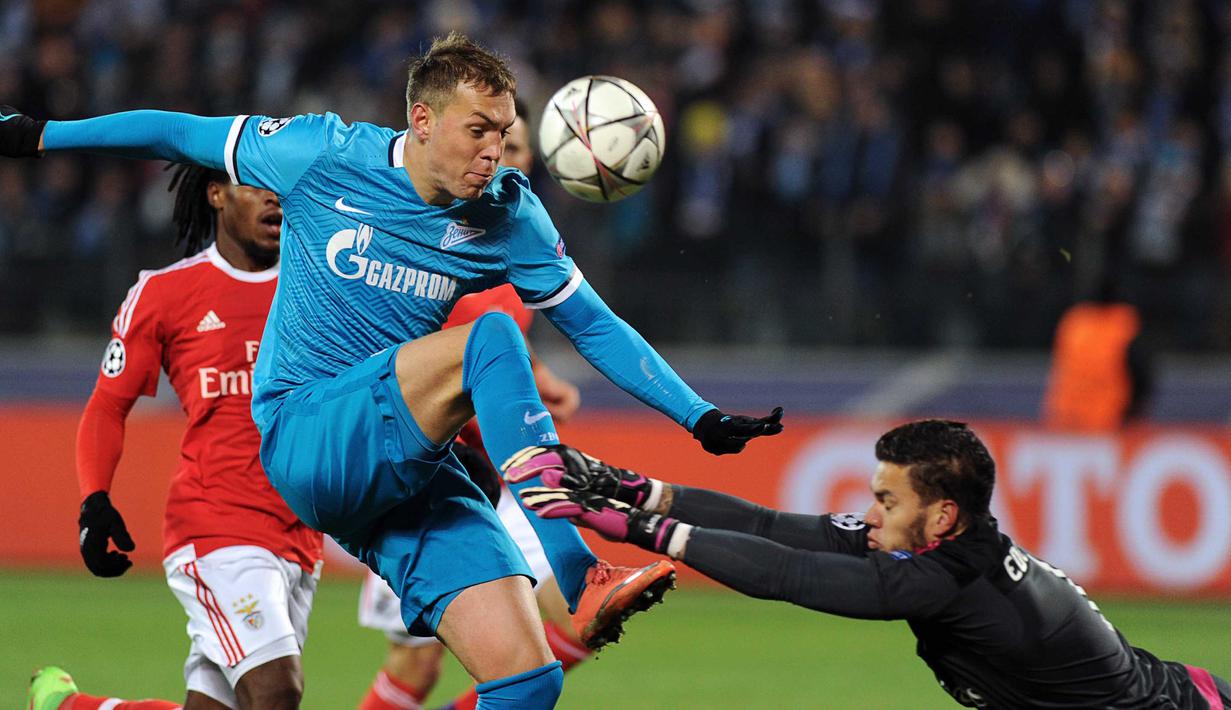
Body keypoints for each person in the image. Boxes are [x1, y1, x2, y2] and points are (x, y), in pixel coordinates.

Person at [2, 32, 782, 708]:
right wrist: (41, 136)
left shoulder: (509, 215)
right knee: (490, 344)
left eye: (505, 133)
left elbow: (594, 326)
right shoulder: (318, 153)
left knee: (528, 681)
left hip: (397, 472)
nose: (494, 152)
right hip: (306, 429)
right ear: (421, 120)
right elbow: (175, 132)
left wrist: (696, 414)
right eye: (478, 131)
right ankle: (578, 573)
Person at [515, 420, 1231, 708]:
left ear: (941, 513)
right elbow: (769, 527)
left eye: (886, 498)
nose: (871, 511)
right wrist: (629, 486)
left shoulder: (941, 580)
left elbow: (787, 576)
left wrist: (635, 528)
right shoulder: (940, 547)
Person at [28, 165, 323, 710]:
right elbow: (108, 405)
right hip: (217, 527)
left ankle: (70, 707)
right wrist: (95, 499)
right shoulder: (166, 293)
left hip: (301, 534)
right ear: (215, 193)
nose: (272, 200)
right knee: (278, 689)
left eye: (278, 186)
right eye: (255, 186)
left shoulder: (322, 289)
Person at [356, 104, 590, 710]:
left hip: (504, 479)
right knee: (416, 666)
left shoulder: (517, 248)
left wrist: (540, 379)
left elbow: (492, 349)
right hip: (432, 473)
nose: (500, 164)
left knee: (582, 619)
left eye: (515, 153)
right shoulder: (431, 242)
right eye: (491, 148)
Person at [1043, 275, 1154, 431]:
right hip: (1107, 422)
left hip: (1065, 421)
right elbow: (1141, 374)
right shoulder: (1124, 325)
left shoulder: (1074, 322)